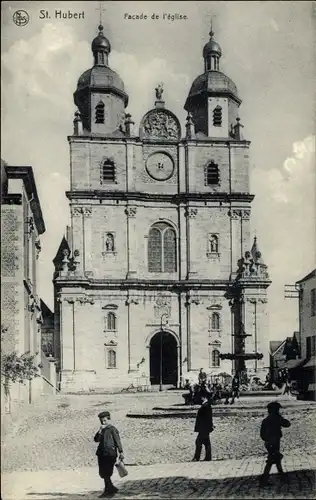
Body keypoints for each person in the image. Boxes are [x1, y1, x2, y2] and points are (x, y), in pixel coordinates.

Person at [259, 401, 291, 486]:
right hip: (275, 443)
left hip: (268, 443)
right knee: (271, 461)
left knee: (276, 459)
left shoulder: (265, 420)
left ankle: (282, 477)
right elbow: (287, 424)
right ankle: (264, 481)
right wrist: (281, 418)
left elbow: (262, 434)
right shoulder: (277, 418)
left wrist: (267, 440)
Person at [94, 411, 124, 497]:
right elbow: (96, 440)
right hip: (101, 454)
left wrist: (121, 452)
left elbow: (117, 441)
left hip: (110, 454)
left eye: (104, 420)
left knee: (107, 472)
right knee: (103, 472)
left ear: (108, 419)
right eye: (101, 420)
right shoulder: (102, 429)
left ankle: (108, 490)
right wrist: (99, 431)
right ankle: (111, 488)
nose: (103, 422)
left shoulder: (112, 429)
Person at [192, 396, 214, 461]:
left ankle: (197, 457)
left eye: (202, 397)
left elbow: (206, 418)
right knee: (206, 442)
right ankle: (208, 457)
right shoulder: (206, 405)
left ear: (205, 398)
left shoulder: (206, 406)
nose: (201, 398)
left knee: (198, 442)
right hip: (205, 428)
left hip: (204, 428)